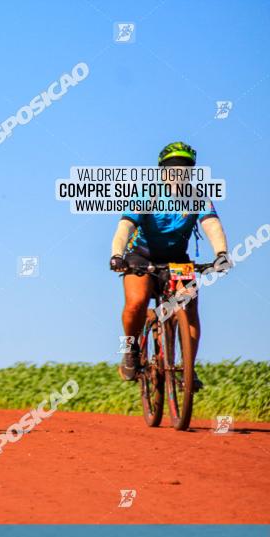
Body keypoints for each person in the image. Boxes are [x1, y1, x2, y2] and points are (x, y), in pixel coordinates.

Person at [109, 141, 230, 383]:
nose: (179, 173)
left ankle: (187, 367)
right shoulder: (147, 194)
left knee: (190, 309)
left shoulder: (197, 197)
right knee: (137, 302)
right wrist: (117, 255)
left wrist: (221, 254)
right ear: (163, 171)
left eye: (185, 169)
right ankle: (130, 351)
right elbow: (125, 226)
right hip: (141, 257)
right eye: (174, 168)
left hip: (177, 260)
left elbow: (212, 225)